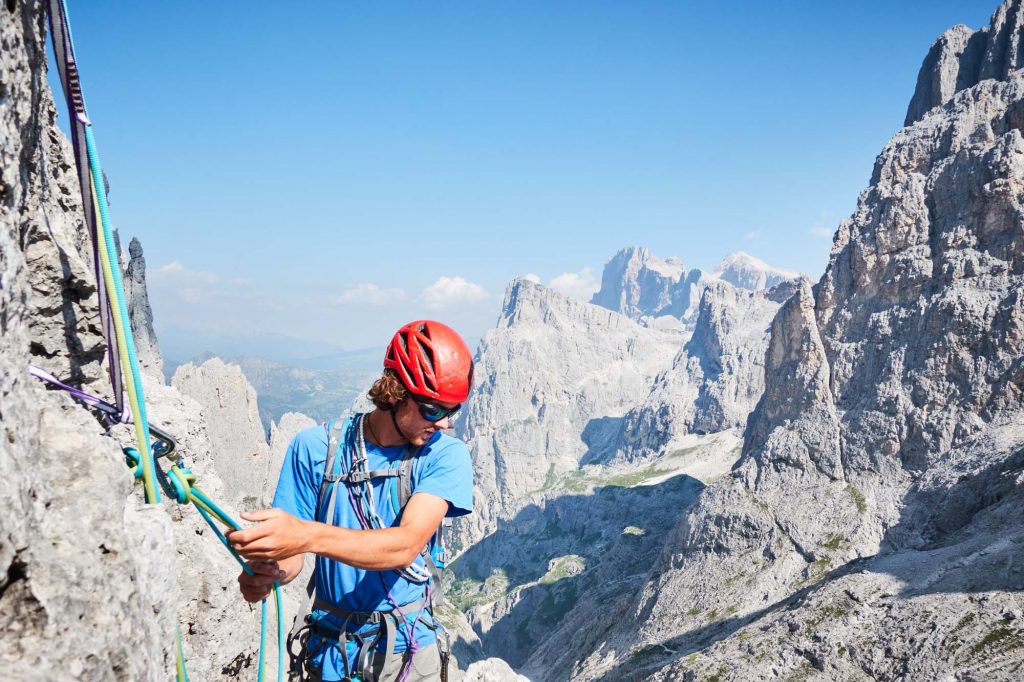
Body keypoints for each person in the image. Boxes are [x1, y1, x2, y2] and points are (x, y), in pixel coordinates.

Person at [228, 320, 475, 682]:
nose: (443, 424)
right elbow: (293, 556)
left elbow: (404, 545)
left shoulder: (445, 456)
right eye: (432, 409)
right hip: (331, 652)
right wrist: (272, 574)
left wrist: (305, 536)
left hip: (407, 653)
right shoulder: (314, 449)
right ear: (395, 392)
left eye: (450, 411)